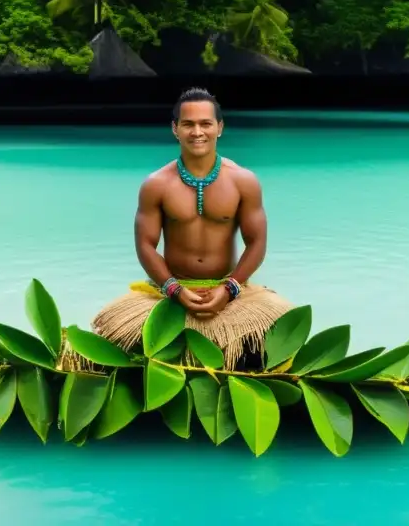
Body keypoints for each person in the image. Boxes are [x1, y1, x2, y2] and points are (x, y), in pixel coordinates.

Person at [89, 87, 293, 370]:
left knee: (276, 341)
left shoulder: (243, 181)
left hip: (228, 290)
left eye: (205, 124)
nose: (197, 132)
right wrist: (173, 289)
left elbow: (257, 242)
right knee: (118, 347)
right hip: (172, 289)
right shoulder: (156, 184)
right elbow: (146, 245)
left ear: (219, 128)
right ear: (175, 129)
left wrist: (230, 288)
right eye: (188, 124)